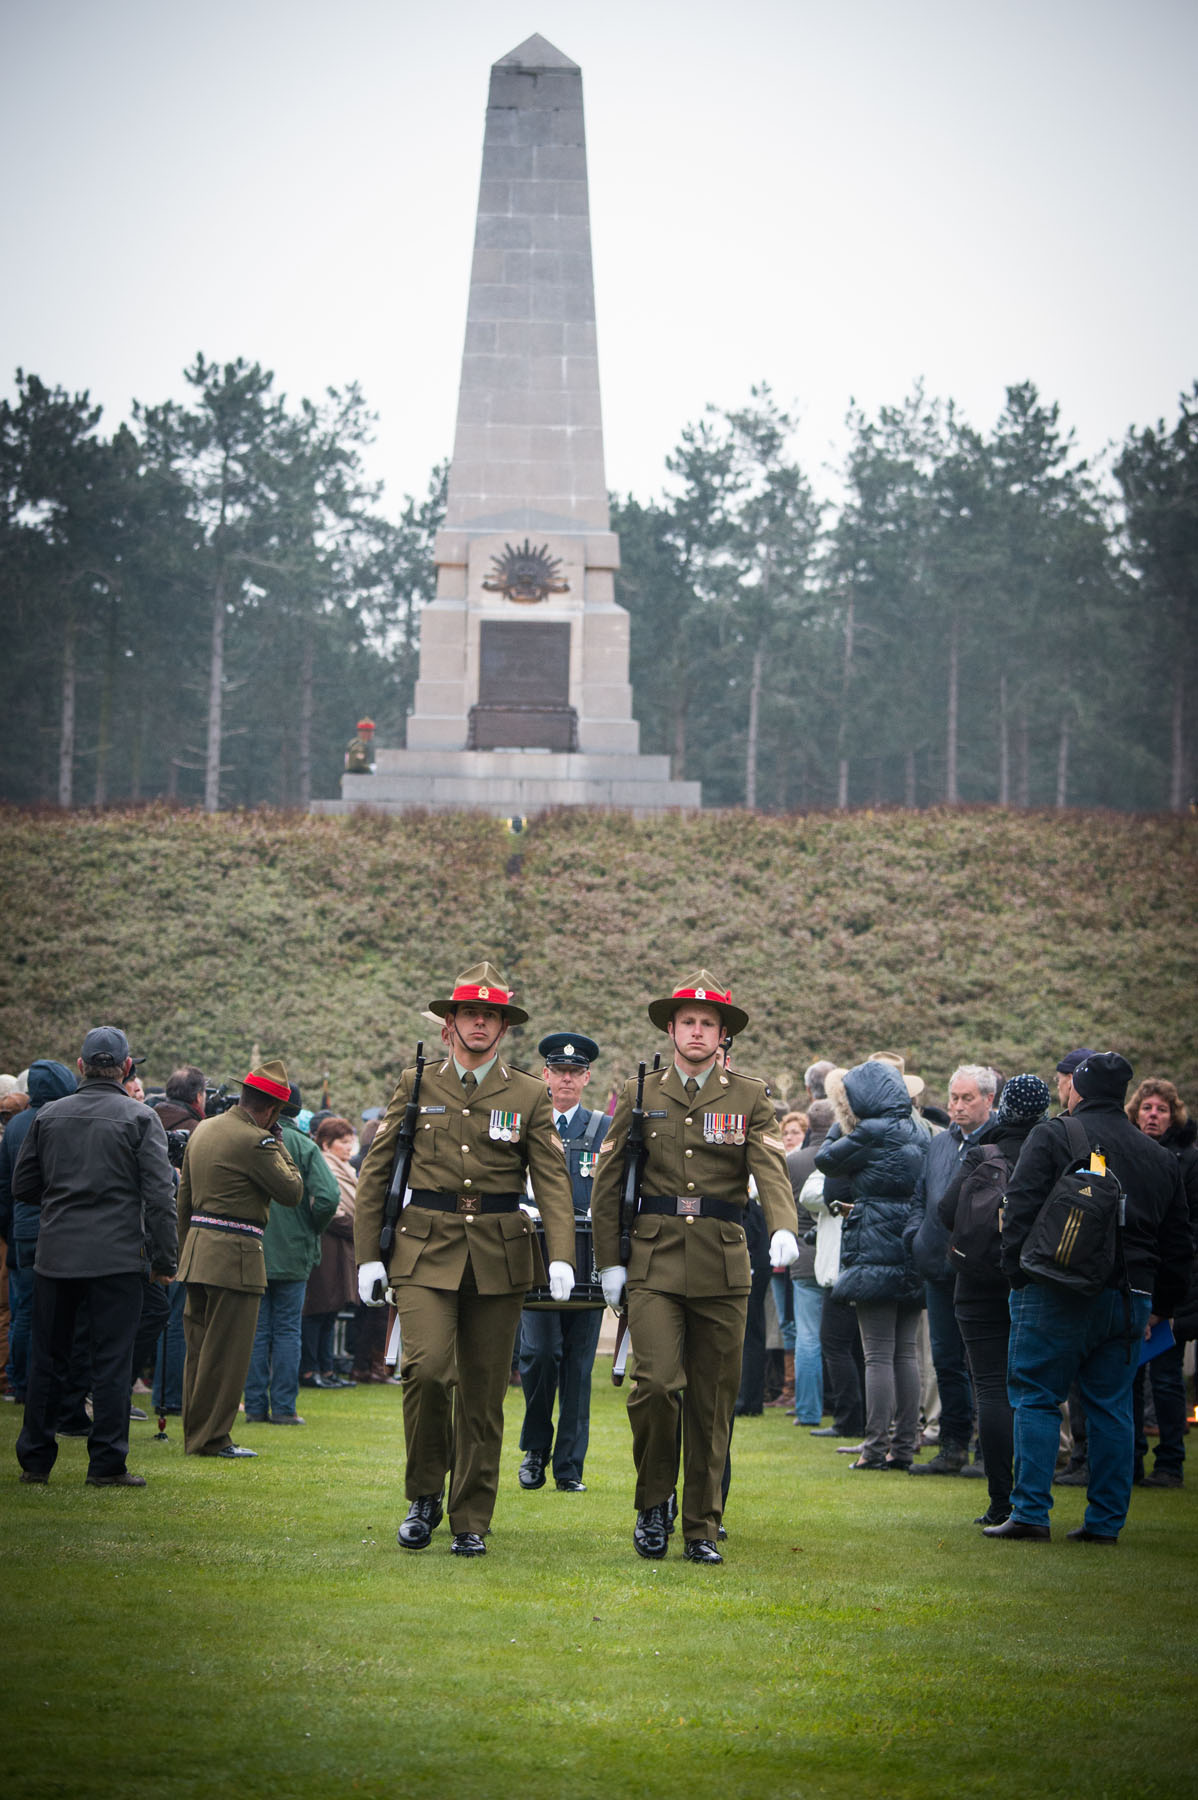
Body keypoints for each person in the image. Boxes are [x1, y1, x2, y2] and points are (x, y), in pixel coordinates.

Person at [355, 962, 577, 1558]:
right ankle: (425, 1492)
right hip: (424, 1246)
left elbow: (551, 1180)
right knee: (426, 1371)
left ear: (503, 1028)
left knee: (483, 1391)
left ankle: (471, 1516)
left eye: (492, 1015)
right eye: (470, 1013)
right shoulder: (417, 1082)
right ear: (450, 1022)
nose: (481, 1023)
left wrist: (561, 1254)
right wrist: (367, 1254)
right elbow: (378, 1169)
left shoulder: (529, 1092)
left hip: (499, 1251)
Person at [591, 970, 799, 1565]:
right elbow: (609, 1186)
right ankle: (654, 1502)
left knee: (712, 1400)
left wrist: (782, 1223)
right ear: (672, 1029)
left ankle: (701, 1526)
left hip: (722, 1259)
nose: (698, 1032)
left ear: (723, 1035)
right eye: (688, 1022)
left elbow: (768, 1164)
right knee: (655, 1385)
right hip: (653, 1259)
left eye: (709, 1023)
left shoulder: (749, 1096)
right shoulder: (640, 1093)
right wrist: (610, 1261)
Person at [985, 1052, 1192, 1543]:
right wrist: (1159, 1306)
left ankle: (1031, 1512)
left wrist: (1017, 1276)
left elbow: (1020, 1211)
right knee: (1112, 1408)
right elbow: (1179, 1242)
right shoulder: (1159, 1156)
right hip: (1129, 1297)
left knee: (1035, 1396)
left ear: (1076, 1087)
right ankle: (1105, 1523)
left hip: (1055, 1289)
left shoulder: (1054, 1135)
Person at [14, 1028, 176, 1487]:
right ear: (127, 1069)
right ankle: (106, 1463)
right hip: (118, 1257)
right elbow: (160, 1198)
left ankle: (36, 1461)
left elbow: (23, 1186)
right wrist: (164, 1261)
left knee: (48, 1358)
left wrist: (65, 1194)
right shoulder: (141, 1118)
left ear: (81, 1066)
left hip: (57, 1255)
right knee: (112, 1361)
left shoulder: (49, 1115)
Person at [937, 1074, 1052, 1526]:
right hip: (1037, 1282)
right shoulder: (1056, 1151)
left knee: (991, 1388)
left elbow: (947, 1211)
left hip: (978, 1285)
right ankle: (1032, 1502)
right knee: (1034, 1393)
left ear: (1001, 1106)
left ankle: (1001, 1501)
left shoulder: (985, 1151)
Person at [176, 1059, 304, 1459]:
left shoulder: (204, 1130)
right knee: (226, 1355)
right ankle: (213, 1439)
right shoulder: (256, 1141)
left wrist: (185, 1253)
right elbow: (292, 1190)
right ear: (270, 1110)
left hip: (197, 1251)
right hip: (236, 1256)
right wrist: (278, 1142)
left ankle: (195, 1434)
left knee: (197, 1352)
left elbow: (183, 1201)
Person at [816, 1062, 928, 1472]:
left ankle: (875, 1447)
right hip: (911, 1243)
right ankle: (904, 1446)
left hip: (875, 1240)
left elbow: (827, 1161)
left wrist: (841, 1120)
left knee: (877, 1353)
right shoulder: (919, 1128)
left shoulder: (871, 1131)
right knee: (906, 1354)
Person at [516, 1032, 610, 1494]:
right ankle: (535, 1446)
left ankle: (569, 1466)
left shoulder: (603, 1128)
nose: (566, 1079)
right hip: (536, 1254)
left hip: (588, 1257)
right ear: (545, 1076)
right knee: (537, 1354)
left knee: (577, 1362)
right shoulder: (527, 1123)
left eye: (575, 1073)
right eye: (559, 1072)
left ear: (587, 1077)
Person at [906, 1064, 997, 1475]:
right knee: (945, 1359)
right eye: (953, 1098)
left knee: (983, 1362)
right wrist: (915, 1237)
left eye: (967, 1099)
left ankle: (986, 1449)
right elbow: (920, 1196)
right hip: (938, 1266)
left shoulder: (1001, 1142)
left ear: (989, 1100)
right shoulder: (940, 1144)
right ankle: (953, 1445)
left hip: (981, 1270)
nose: (957, 1106)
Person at [244, 1090, 340, 1424]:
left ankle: (254, 1407)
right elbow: (328, 1197)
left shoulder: (250, 1140)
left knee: (257, 1331)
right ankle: (284, 1408)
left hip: (253, 1247)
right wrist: (312, 1226)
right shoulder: (304, 1146)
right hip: (295, 1253)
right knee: (287, 1330)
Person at [1125, 1077, 1198, 1488]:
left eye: (1162, 1109)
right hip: (1138, 1277)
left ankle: (1170, 1461)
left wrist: (1168, 1300)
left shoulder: (1188, 1161)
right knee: (1130, 1376)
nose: (1153, 1115)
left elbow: (1187, 1230)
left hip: (1173, 1285)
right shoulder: (1132, 1155)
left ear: (1173, 1116)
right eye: (1147, 1108)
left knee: (1167, 1377)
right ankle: (1132, 1459)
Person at [149, 1065, 208, 1417]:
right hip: (178, 1231)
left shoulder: (147, 1119)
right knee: (177, 1316)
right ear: (198, 1096)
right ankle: (171, 1395)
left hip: (143, 1232)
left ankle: (161, 1391)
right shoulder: (197, 1131)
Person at [299, 1113, 358, 1391]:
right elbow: (326, 1207)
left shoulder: (348, 1170)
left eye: (350, 1142)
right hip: (326, 1243)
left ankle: (327, 1367)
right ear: (326, 1144)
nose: (348, 1147)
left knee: (332, 1309)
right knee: (317, 1309)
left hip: (341, 1246)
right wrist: (357, 1227)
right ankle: (311, 1369)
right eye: (342, 1142)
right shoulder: (324, 1166)